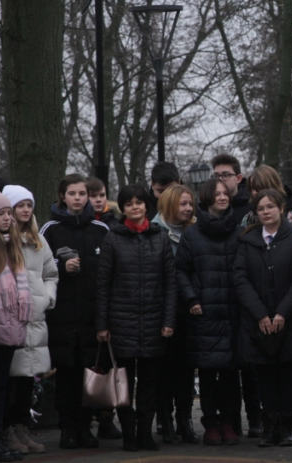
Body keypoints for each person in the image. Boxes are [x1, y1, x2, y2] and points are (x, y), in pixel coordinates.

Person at [95, 184, 177, 452]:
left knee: (150, 383)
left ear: (146, 205)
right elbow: (103, 284)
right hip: (122, 323)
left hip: (154, 323)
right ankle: (129, 434)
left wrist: (168, 321)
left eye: (139, 202)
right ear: (123, 208)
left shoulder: (161, 238)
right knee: (124, 383)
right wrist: (103, 324)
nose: (135, 207)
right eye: (129, 203)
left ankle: (146, 433)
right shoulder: (113, 238)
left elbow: (170, 285)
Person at [233, 189, 292, 448]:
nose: (266, 212)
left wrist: (282, 313)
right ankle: (269, 427)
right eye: (261, 208)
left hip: (289, 321)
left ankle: (288, 427)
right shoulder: (248, 241)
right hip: (259, 323)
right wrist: (261, 314)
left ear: (282, 208)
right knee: (264, 377)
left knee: (288, 375)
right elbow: (240, 280)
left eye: (270, 207)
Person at [40, 174, 110, 450]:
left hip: (93, 317)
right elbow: (39, 267)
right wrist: (61, 267)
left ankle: (85, 426)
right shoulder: (50, 229)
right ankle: (67, 428)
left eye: (83, 193)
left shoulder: (101, 229)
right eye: (73, 193)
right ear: (63, 196)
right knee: (66, 375)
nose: (78, 198)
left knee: (89, 374)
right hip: (62, 318)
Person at [175, 179, 242, 446]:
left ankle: (229, 422)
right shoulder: (192, 235)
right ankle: (211, 423)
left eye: (226, 193)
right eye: (217, 194)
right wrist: (191, 298)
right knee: (207, 371)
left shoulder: (238, 231)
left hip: (233, 311)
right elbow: (181, 270)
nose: (223, 197)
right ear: (206, 198)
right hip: (204, 313)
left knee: (230, 372)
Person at [1, 186, 56, 456]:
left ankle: (22, 426)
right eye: (19, 205)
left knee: (27, 377)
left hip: (36, 317)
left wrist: (47, 297)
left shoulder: (39, 241)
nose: (25, 210)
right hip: (12, 318)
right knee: (10, 377)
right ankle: (7, 428)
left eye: (28, 205)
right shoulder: (3, 241)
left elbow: (50, 273)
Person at [151, 185, 199, 445]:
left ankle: (185, 418)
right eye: (183, 204)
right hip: (163, 312)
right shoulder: (154, 231)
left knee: (185, 370)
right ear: (170, 205)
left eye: (190, 204)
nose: (188, 209)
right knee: (163, 371)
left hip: (189, 310)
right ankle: (165, 419)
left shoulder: (195, 231)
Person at [0, 188, 31, 462]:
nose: (7, 217)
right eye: (0, 213)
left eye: (7, 212)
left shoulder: (8, 243)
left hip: (8, 323)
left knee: (0, 385)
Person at [83, 177, 123, 442]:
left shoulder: (114, 226)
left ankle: (107, 418)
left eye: (102, 195)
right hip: (87, 304)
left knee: (110, 364)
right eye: (93, 195)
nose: (98, 200)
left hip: (111, 303)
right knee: (90, 365)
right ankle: (85, 418)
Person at [211, 154, 251, 224]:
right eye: (216, 176)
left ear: (238, 179)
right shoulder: (207, 207)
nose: (220, 179)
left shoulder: (251, 207)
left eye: (225, 175)